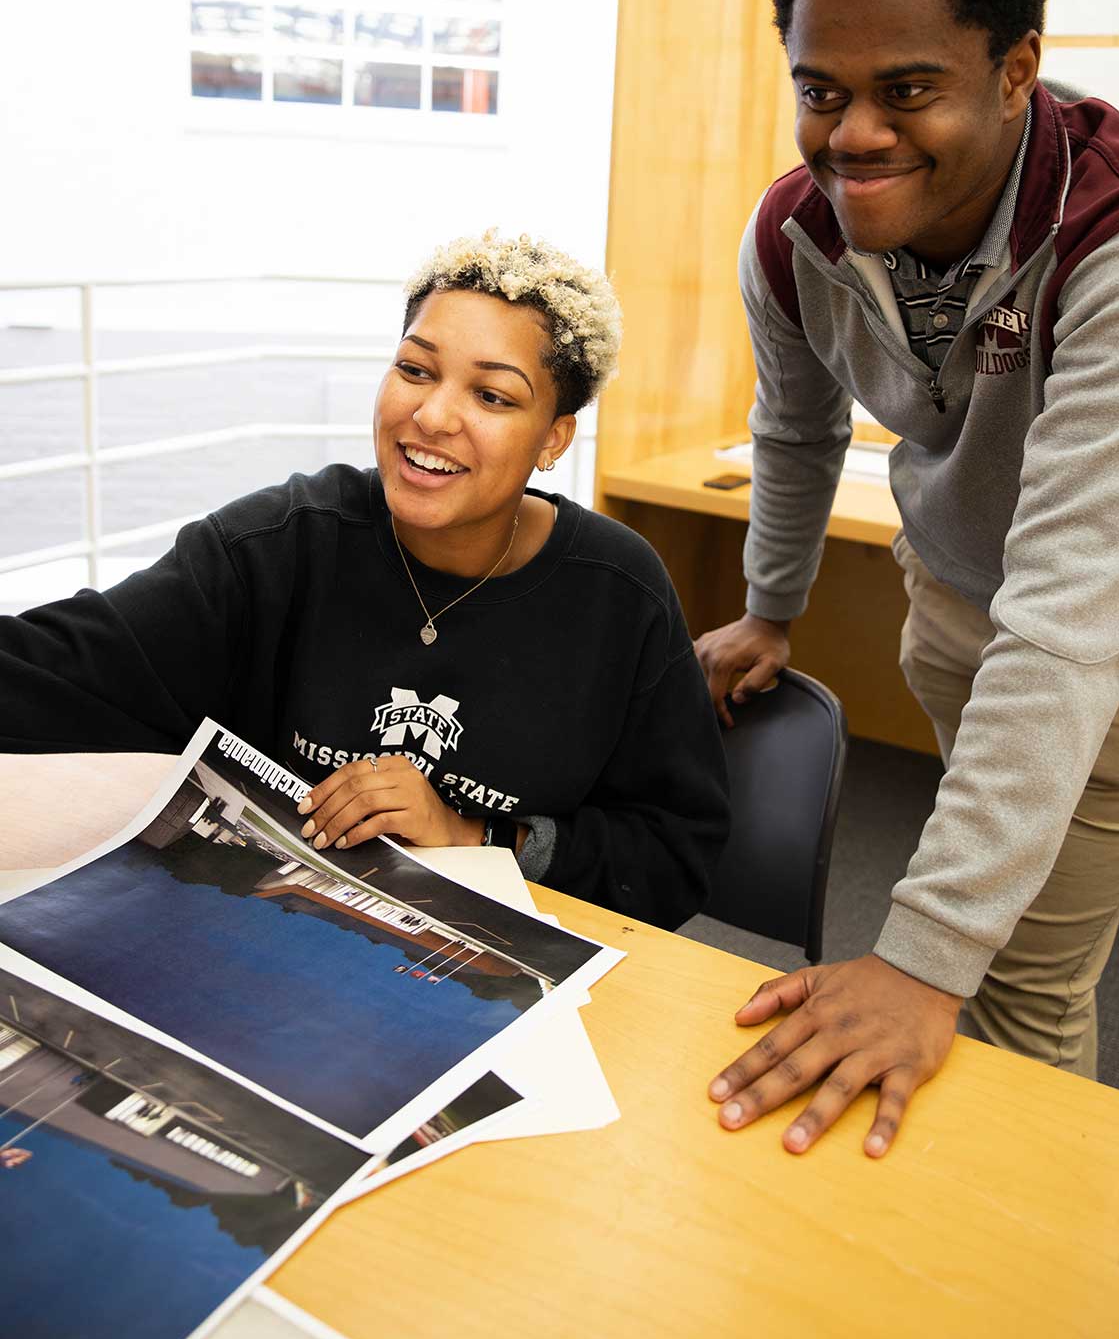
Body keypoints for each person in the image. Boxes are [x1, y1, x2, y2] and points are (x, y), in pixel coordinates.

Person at [695, 0, 1119, 1157]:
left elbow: (1078, 622)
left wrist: (921, 955)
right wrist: (770, 611)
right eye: (822, 90)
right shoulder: (792, 233)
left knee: (1014, 986)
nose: (852, 133)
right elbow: (793, 431)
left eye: (906, 90)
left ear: (1016, 69)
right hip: (957, 594)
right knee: (965, 957)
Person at [1, 231, 729, 930]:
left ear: (553, 438)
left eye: (493, 397)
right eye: (415, 370)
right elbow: (60, 670)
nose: (432, 415)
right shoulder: (280, 545)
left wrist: (470, 835)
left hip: (503, 970)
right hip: (270, 936)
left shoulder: (619, 594)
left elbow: (672, 854)